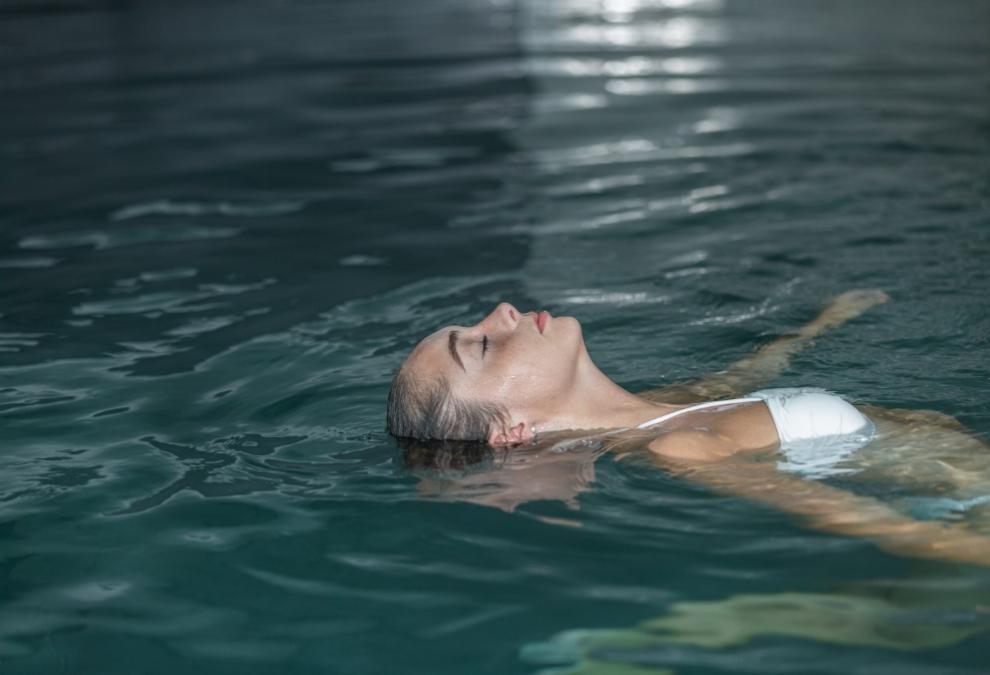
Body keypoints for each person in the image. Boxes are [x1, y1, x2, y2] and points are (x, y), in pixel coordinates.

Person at [386, 291, 990, 567]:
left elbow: (750, 375)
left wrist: (824, 322)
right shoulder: (680, 446)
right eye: (483, 345)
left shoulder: (671, 408)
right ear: (511, 432)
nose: (503, 313)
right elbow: (859, 519)